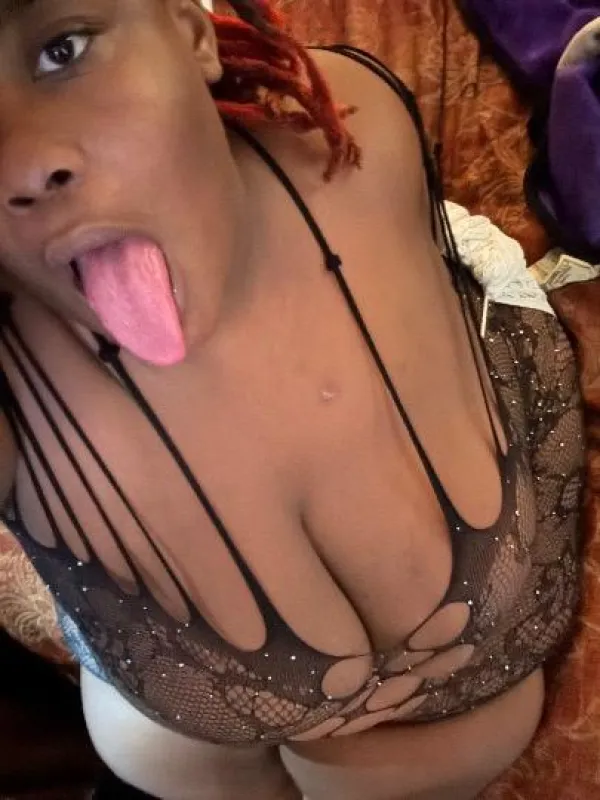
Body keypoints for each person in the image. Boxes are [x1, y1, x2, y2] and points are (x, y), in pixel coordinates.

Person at [0, 1, 585, 798]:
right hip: (186, 751)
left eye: (63, 50)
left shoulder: (350, 136)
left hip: (447, 730)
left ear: (192, 33)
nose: (26, 166)